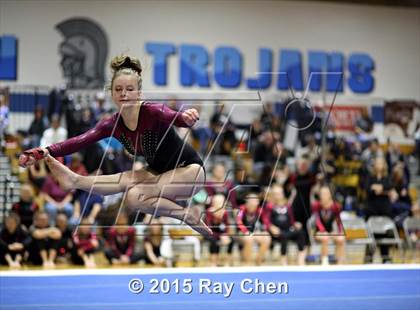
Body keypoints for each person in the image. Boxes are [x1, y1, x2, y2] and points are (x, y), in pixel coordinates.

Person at [19, 55, 212, 238]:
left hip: (189, 171)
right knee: (133, 197)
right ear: (111, 94)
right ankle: (75, 180)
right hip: (159, 171)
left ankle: (188, 216)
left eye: (129, 89)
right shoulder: (111, 124)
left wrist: (186, 117)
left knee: (136, 192)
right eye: (118, 89)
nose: (124, 94)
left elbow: (174, 117)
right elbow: (79, 140)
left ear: (139, 93)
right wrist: (45, 151)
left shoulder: (152, 111)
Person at [262, 185, 306, 265]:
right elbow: (265, 220)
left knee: (301, 233)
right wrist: (271, 227)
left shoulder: (287, 205)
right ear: (272, 195)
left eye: (279, 193)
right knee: (283, 235)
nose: (277, 196)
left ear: (282, 194)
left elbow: (291, 219)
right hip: (276, 231)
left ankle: (301, 258)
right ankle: (283, 259)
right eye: (275, 194)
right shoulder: (269, 206)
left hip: (287, 229)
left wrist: (295, 224)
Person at [311, 186, 345, 265]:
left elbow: (338, 221)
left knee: (341, 238)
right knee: (325, 237)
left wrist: (339, 232)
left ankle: (339, 262)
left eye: (326, 193)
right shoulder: (316, 205)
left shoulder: (336, 206)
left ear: (330, 194)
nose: (324, 195)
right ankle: (324, 261)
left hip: (331, 231)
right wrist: (323, 231)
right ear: (319, 195)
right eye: (322, 193)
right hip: (318, 232)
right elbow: (317, 220)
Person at [236, 192, 271, 265]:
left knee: (267, 237)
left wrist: (261, 231)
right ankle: (247, 262)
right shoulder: (241, 209)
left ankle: (258, 261)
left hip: (255, 233)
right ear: (247, 202)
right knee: (249, 239)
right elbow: (238, 222)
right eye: (250, 201)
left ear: (257, 202)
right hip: (242, 233)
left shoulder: (260, 210)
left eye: (254, 201)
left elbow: (266, 222)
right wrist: (246, 232)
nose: (252, 203)